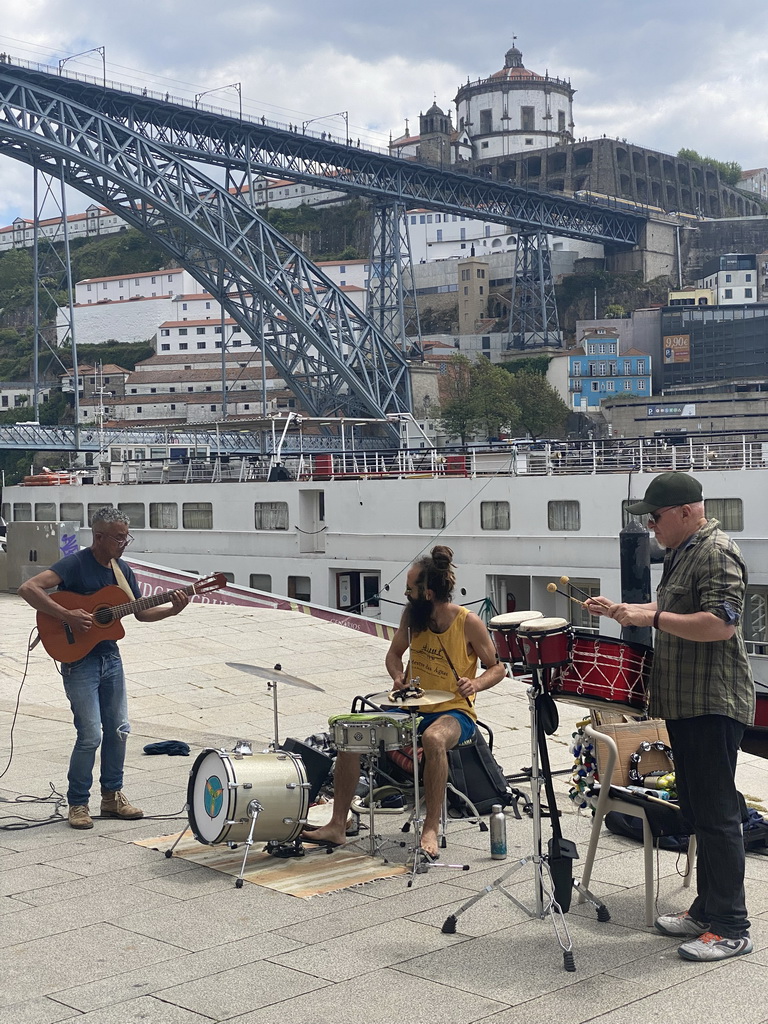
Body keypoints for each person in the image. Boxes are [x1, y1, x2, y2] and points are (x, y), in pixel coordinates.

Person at [584, 471, 755, 962]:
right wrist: (628, 610)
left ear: (685, 512)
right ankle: (706, 910)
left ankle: (732, 926)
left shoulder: (717, 551)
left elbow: (720, 625)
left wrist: (652, 619)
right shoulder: (683, 550)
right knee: (700, 809)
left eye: (656, 518)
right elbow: (674, 608)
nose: (652, 527)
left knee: (719, 815)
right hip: (685, 701)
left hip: (712, 701)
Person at [302, 546, 505, 857]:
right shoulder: (412, 617)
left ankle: (431, 828)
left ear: (428, 592)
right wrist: (398, 676)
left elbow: (498, 667)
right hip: (410, 705)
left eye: (411, 588)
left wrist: (475, 683)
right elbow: (394, 655)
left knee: (433, 738)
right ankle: (337, 825)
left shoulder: (468, 622)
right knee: (349, 732)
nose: (405, 593)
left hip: (455, 712)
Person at [19, 507, 189, 830]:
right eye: (119, 537)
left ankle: (111, 797)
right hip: (79, 661)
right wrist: (68, 616)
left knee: (119, 730)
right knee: (90, 735)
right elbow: (30, 589)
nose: (125, 542)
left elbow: (140, 613)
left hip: (110, 658)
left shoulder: (122, 571)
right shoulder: (75, 564)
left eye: (127, 536)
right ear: (98, 537)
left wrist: (172, 611)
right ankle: (78, 803)